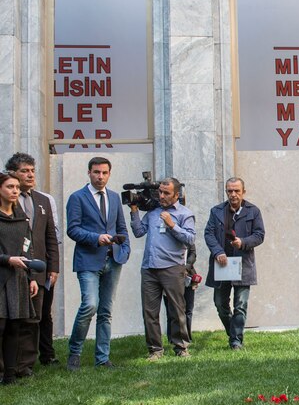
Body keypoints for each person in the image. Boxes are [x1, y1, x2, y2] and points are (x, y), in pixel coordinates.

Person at [66, 157, 130, 371]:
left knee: (106, 311)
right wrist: (96, 237)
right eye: (96, 172)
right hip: (88, 261)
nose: (100, 176)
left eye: (104, 172)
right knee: (89, 305)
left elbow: (121, 228)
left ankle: (102, 358)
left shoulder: (113, 197)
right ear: (89, 173)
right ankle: (74, 352)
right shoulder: (77, 198)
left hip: (113, 260)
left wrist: (125, 250)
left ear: (109, 174)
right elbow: (72, 229)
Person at [5, 153, 60, 376]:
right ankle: (9, 365)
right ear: (12, 174)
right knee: (13, 318)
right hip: (14, 268)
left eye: (32, 170)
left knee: (35, 317)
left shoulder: (43, 200)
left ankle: (26, 365)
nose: (29, 175)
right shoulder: (8, 199)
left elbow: (51, 237)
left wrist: (53, 267)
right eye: (24, 171)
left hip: (40, 268)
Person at [130, 177, 195, 360]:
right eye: (160, 192)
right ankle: (155, 349)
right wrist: (134, 210)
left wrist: (172, 225)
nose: (162, 196)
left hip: (173, 268)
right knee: (150, 311)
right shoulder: (152, 213)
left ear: (176, 194)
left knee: (176, 309)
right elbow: (138, 232)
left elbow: (190, 239)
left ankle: (181, 347)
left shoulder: (185, 214)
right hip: (149, 268)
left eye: (166, 193)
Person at [204, 177, 265, 350]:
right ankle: (234, 334)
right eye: (230, 191)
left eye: (236, 191)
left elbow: (259, 235)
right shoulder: (216, 211)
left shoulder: (253, 211)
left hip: (243, 265)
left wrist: (243, 242)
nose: (233, 194)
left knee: (240, 305)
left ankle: (236, 341)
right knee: (220, 303)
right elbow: (208, 233)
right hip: (221, 264)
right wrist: (218, 251)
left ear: (243, 191)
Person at [0, 173, 38, 384]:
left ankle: (10, 375)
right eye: (10, 187)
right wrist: (7, 259)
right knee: (1, 326)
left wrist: (32, 277)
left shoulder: (22, 218)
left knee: (15, 326)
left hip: (18, 278)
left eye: (16, 187)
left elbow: (28, 247)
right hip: (2, 276)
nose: (15, 191)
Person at [165, 243, 199, 343]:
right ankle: (172, 338)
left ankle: (187, 338)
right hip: (169, 276)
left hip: (187, 277)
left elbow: (193, 254)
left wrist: (186, 267)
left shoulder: (188, 235)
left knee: (188, 310)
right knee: (170, 310)